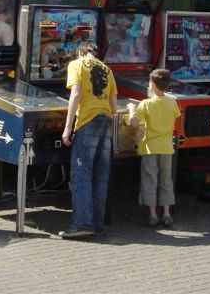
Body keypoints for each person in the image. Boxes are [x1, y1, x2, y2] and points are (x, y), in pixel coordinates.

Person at [60, 42, 117, 239]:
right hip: (106, 120)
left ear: (80, 52)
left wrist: (67, 128)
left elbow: (75, 94)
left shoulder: (76, 64)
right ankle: (97, 224)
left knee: (81, 174)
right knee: (100, 175)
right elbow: (114, 103)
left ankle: (82, 224)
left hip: (87, 121)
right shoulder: (107, 69)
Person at [127, 69, 180, 227]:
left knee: (150, 179)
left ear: (154, 85)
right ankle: (166, 213)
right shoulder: (172, 102)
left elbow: (133, 123)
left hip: (149, 147)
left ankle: (152, 214)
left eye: (150, 82)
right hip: (166, 147)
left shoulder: (146, 104)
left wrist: (131, 108)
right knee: (166, 180)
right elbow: (175, 118)